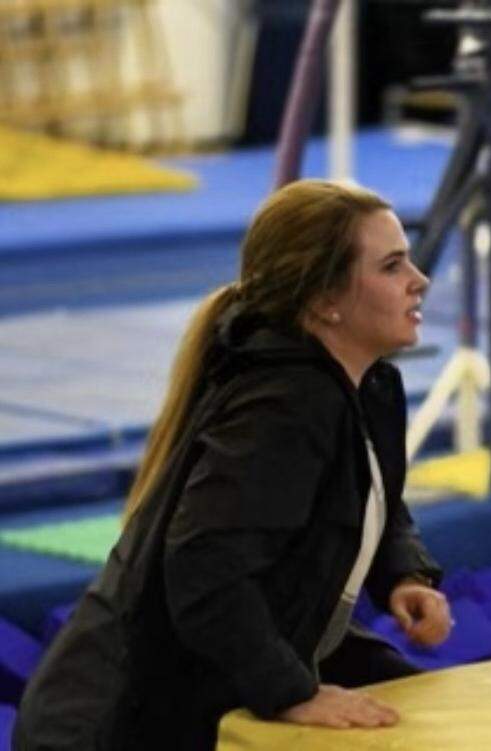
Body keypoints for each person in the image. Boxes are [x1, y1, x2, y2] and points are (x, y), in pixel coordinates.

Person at [15, 179, 453, 749]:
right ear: (325, 301)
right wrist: (290, 692)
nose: (419, 281)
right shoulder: (286, 405)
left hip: (230, 662)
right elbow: (202, 569)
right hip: (114, 723)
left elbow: (374, 497)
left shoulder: (369, 385)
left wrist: (402, 573)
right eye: (393, 266)